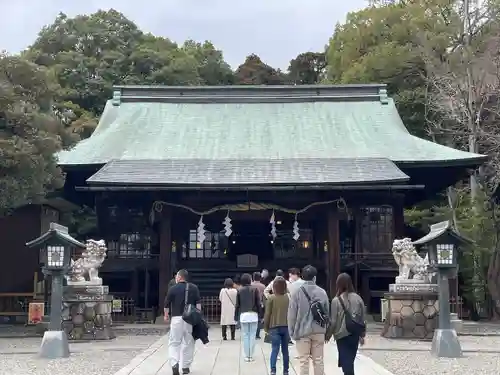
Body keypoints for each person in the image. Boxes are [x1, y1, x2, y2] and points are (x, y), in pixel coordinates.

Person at [287, 265, 329, 375]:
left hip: (302, 331)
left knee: (303, 361)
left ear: (302, 277)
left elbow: (292, 314)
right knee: (318, 360)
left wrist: (291, 331)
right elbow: (327, 313)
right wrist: (326, 330)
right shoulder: (322, 292)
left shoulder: (296, 292)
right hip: (318, 330)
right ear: (315, 278)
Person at [327, 273, 366, 375]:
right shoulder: (358, 298)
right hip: (355, 334)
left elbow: (333, 321)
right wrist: (362, 335)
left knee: (346, 361)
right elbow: (363, 318)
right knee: (350, 361)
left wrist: (328, 335)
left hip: (341, 335)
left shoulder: (336, 301)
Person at [164, 269, 201, 375]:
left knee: (174, 342)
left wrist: (166, 315)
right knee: (189, 342)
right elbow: (198, 304)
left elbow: (166, 304)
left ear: (179, 277)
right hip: (189, 319)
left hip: (176, 318)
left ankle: (175, 364)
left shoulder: (172, 289)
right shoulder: (194, 288)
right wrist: (198, 316)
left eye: (176, 277)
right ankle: (185, 367)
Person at [264, 277, 290, 375]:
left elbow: (267, 314)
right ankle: (286, 370)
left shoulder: (271, 298)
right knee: (285, 350)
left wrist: (266, 328)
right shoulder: (288, 297)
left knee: (275, 349)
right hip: (286, 326)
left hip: (274, 326)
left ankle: (273, 370)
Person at [234, 273, 262, 362]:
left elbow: (237, 305)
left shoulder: (239, 290)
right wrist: (260, 315)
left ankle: (247, 355)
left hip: (244, 315)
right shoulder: (255, 289)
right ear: (250, 280)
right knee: (252, 335)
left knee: (245, 335)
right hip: (254, 314)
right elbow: (258, 304)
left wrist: (235, 317)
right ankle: (251, 355)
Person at [252, 272, 266, 339]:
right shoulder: (263, 286)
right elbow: (264, 297)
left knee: (252, 319)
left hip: (251, 304)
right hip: (260, 304)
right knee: (259, 320)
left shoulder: (250, 285)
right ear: (260, 278)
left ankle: (252, 333)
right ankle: (257, 335)